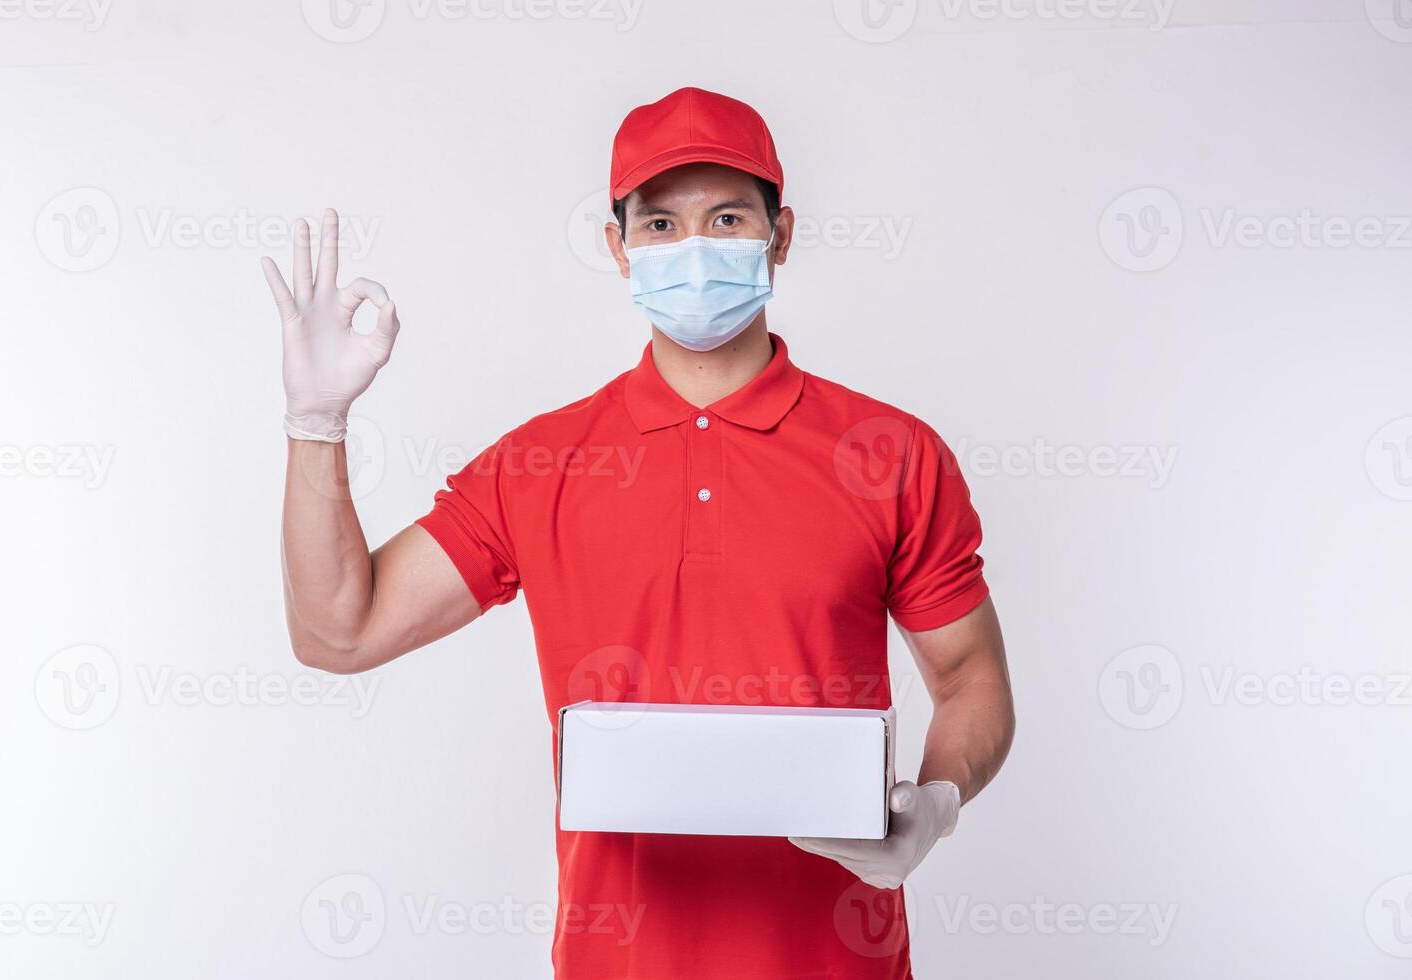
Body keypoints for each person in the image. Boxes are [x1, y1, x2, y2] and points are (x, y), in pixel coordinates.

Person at [261, 86, 1014, 980]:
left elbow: (970, 676)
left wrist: (935, 799)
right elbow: (337, 632)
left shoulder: (890, 455)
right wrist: (316, 424)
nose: (692, 248)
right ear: (617, 248)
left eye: (727, 216)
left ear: (779, 235)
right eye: (659, 225)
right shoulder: (538, 463)